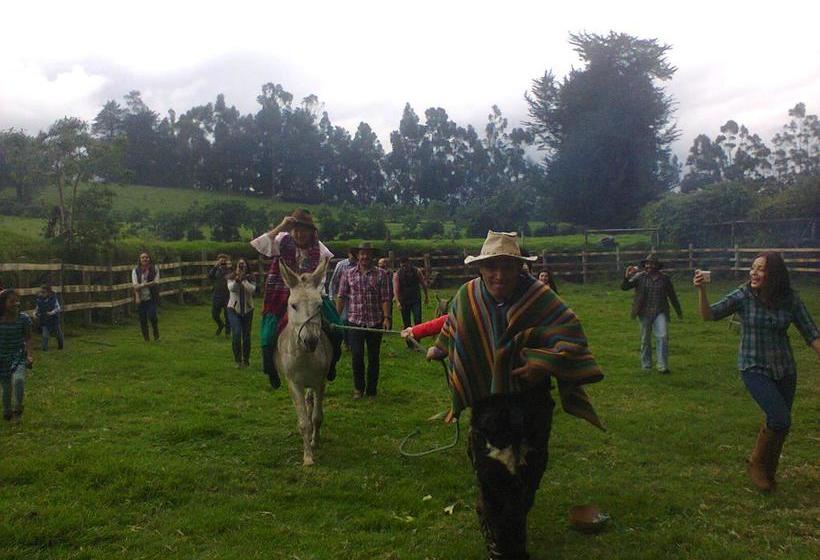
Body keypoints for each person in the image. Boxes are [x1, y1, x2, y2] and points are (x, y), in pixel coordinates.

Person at [428, 231, 604, 559]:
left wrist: (543, 363)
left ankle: (501, 523)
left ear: (519, 268)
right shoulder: (467, 295)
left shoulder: (539, 296)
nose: (499, 275)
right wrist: (440, 348)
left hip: (531, 403)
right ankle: (504, 547)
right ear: (480, 268)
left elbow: (571, 337)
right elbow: (454, 326)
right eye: (491, 266)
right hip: (488, 406)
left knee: (527, 475)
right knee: (494, 475)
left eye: (507, 266)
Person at [694, 252, 819, 492]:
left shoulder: (790, 300)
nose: (754, 273)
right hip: (753, 366)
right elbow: (709, 315)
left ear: (775, 275)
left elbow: (811, 333)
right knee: (780, 418)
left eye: (760, 269)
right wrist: (701, 290)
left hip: (785, 368)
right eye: (753, 268)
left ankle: (768, 471)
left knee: (781, 423)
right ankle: (756, 463)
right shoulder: (744, 295)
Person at [251, 208, 342, 389]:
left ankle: (331, 364)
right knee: (268, 334)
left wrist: (308, 293)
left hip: (311, 295)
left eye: (304, 231)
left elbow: (321, 278)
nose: (300, 235)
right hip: (280, 295)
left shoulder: (320, 249)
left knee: (337, 327)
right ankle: (270, 368)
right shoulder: (281, 241)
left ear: (311, 232)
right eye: (296, 230)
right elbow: (259, 245)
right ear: (291, 230)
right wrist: (281, 226)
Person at [336, 242, 392, 399]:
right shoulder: (348, 274)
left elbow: (386, 298)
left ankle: (372, 390)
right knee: (357, 356)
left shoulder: (382, 274)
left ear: (373, 256)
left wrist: (386, 318)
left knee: (374, 357)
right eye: (362, 253)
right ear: (357, 255)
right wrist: (336, 317)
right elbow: (341, 296)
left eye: (368, 253)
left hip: (375, 321)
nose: (365, 256)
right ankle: (358, 388)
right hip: (355, 321)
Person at [620, 253, 682, 373]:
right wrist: (626, 277)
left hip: (660, 311)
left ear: (657, 266)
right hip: (643, 312)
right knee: (645, 339)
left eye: (652, 264)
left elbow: (672, 295)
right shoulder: (639, 277)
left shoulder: (665, 278)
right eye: (647, 264)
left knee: (662, 337)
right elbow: (624, 287)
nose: (649, 266)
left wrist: (678, 311)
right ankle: (646, 365)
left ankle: (662, 366)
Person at [0, 289, 34, 423]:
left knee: (19, 380)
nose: (16, 304)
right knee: (6, 386)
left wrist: (30, 355)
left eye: (17, 301)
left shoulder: (23, 318)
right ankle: (7, 411)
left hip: (18, 355)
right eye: (12, 301)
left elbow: (28, 338)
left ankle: (18, 409)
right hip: (2, 358)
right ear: (3, 303)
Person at [227, 258, 256, 369]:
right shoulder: (231, 277)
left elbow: (252, 290)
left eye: (243, 265)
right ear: (236, 266)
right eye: (239, 265)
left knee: (246, 336)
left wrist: (244, 280)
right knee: (237, 333)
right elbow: (232, 289)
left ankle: (246, 360)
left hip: (248, 309)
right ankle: (238, 360)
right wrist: (237, 280)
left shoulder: (251, 277)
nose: (241, 267)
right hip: (233, 309)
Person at [394, 256, 429, 349]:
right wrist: (397, 302)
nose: (404, 267)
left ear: (409, 263)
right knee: (406, 322)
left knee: (417, 319)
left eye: (405, 265)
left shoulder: (417, 271)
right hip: (404, 300)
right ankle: (409, 343)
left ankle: (417, 342)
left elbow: (423, 284)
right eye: (402, 266)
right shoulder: (397, 274)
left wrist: (426, 296)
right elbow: (396, 289)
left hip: (415, 299)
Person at [132, 252, 160, 341]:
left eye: (146, 257)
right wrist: (137, 297)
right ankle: (146, 338)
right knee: (142, 319)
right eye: (143, 257)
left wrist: (142, 285)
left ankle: (156, 333)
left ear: (149, 259)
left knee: (152, 316)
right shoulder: (135, 270)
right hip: (141, 298)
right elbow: (135, 286)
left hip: (151, 296)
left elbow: (156, 282)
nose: (145, 259)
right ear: (140, 260)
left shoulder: (154, 269)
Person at [208, 254, 232, 337]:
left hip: (227, 295)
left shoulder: (229, 270)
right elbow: (210, 276)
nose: (223, 262)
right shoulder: (216, 270)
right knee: (214, 314)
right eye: (221, 261)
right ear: (218, 261)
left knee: (227, 315)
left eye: (224, 261)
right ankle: (220, 325)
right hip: (217, 294)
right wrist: (215, 267)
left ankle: (228, 332)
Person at [34, 284, 64, 351]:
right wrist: (35, 314)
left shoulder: (54, 299)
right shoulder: (39, 300)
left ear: (49, 292)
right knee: (45, 334)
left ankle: (61, 346)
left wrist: (52, 312)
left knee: (58, 333)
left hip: (54, 319)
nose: (42, 294)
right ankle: (44, 348)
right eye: (41, 292)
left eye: (43, 292)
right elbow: (37, 308)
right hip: (44, 319)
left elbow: (58, 308)